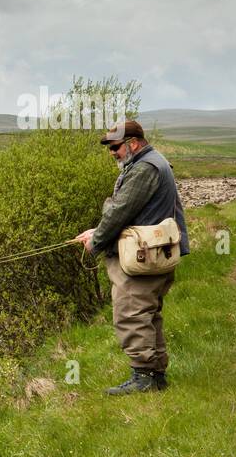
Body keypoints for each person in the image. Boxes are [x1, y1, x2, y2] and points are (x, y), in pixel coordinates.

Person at [73, 119, 189, 395]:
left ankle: (144, 377)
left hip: (142, 258)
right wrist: (97, 230)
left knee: (131, 312)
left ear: (133, 144)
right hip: (154, 252)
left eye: (115, 147)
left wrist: (97, 240)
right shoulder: (154, 162)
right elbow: (135, 213)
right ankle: (155, 375)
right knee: (149, 313)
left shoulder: (144, 168)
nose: (112, 153)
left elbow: (121, 211)